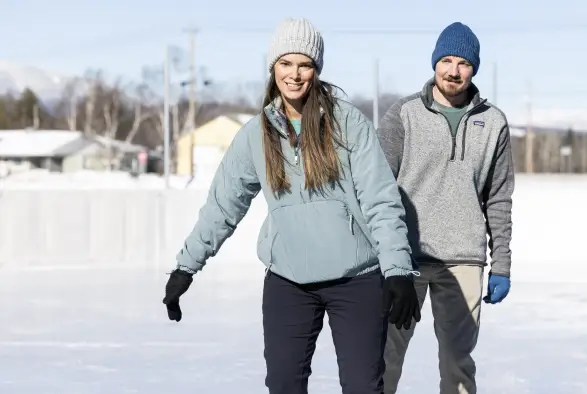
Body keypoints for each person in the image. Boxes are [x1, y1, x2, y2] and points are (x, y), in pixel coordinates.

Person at [161, 17, 421, 394]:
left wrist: (396, 268)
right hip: (288, 282)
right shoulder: (255, 135)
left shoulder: (347, 123)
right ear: (273, 67)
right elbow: (222, 206)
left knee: (363, 387)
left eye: (305, 65)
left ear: (316, 69)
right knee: (284, 384)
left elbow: (381, 199)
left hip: (357, 279)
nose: (295, 75)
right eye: (286, 63)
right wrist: (186, 267)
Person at [377, 22, 515, 394]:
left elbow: (499, 197)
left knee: (458, 367)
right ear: (435, 62)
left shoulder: (495, 123)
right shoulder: (403, 114)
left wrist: (500, 262)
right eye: (447, 60)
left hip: (464, 260)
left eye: (464, 63)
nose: (454, 71)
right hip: (404, 260)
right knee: (383, 361)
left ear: (474, 68)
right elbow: (376, 189)